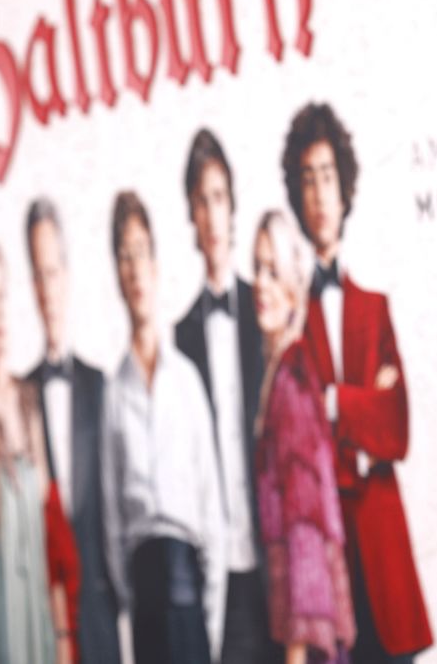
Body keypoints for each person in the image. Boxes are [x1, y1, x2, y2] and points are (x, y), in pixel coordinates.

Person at [282, 103, 432, 663]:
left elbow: (395, 430)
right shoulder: (288, 321)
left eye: (327, 177)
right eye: (307, 180)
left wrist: (331, 401)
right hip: (327, 553)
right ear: (296, 196)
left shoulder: (374, 308)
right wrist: (360, 408)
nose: (319, 194)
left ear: (344, 188)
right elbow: (301, 440)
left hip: (382, 545)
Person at [101, 191, 226, 664]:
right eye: (123, 256)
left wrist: (209, 626)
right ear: (117, 273)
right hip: (146, 598)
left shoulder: (187, 381)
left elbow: (211, 509)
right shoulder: (115, 394)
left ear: (156, 264)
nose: (134, 269)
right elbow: (113, 525)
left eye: (140, 252)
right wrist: (135, 607)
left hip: (189, 592)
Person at [174, 129, 279, 663]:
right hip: (220, 576)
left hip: (278, 563)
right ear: (190, 215)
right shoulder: (179, 339)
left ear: (232, 207)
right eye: (201, 201)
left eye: (219, 198)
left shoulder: (267, 314)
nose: (212, 215)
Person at [0, 237, 78, 664]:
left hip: (42, 622)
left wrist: (63, 638)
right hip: (3, 626)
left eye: (4, 294)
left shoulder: (29, 404)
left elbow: (54, 538)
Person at [252, 210, 356, 664]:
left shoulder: (293, 378)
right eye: (256, 268)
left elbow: (305, 526)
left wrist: (297, 649)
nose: (259, 283)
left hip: (307, 637)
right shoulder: (281, 372)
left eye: (272, 271)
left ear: (293, 286)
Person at [23, 197, 122, 663]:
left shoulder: (99, 386)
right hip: (44, 618)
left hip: (100, 610)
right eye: (38, 274)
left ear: (69, 273)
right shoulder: (19, 398)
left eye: (54, 271)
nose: (48, 288)